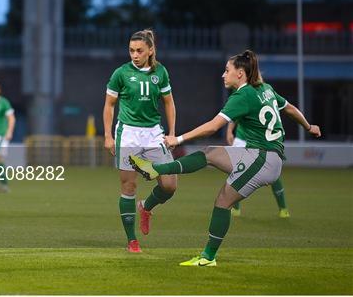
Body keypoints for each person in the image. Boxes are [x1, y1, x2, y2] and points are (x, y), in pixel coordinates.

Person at [129, 50, 321, 266]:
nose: (223, 75)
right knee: (210, 153)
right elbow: (291, 109)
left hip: (263, 160)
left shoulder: (244, 95)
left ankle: (208, 257)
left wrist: (178, 139)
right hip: (258, 155)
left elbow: (213, 126)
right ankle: (155, 176)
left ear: (240, 73)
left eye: (227, 70)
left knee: (223, 201)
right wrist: (309, 126)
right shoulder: (265, 89)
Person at [103, 29, 178, 253]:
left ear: (150, 50)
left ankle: (146, 206)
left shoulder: (161, 72)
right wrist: (107, 135)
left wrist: (172, 132)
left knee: (169, 185)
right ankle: (132, 240)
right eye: (131, 50)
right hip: (127, 133)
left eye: (139, 51)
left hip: (154, 133)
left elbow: (169, 102)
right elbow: (109, 105)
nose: (134, 55)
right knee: (129, 185)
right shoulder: (121, 73)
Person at [227, 121, 290, 218]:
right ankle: (235, 208)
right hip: (241, 140)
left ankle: (283, 209)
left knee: (273, 174)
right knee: (236, 172)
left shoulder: (269, 106)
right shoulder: (242, 105)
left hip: (261, 140)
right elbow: (233, 115)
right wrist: (229, 131)